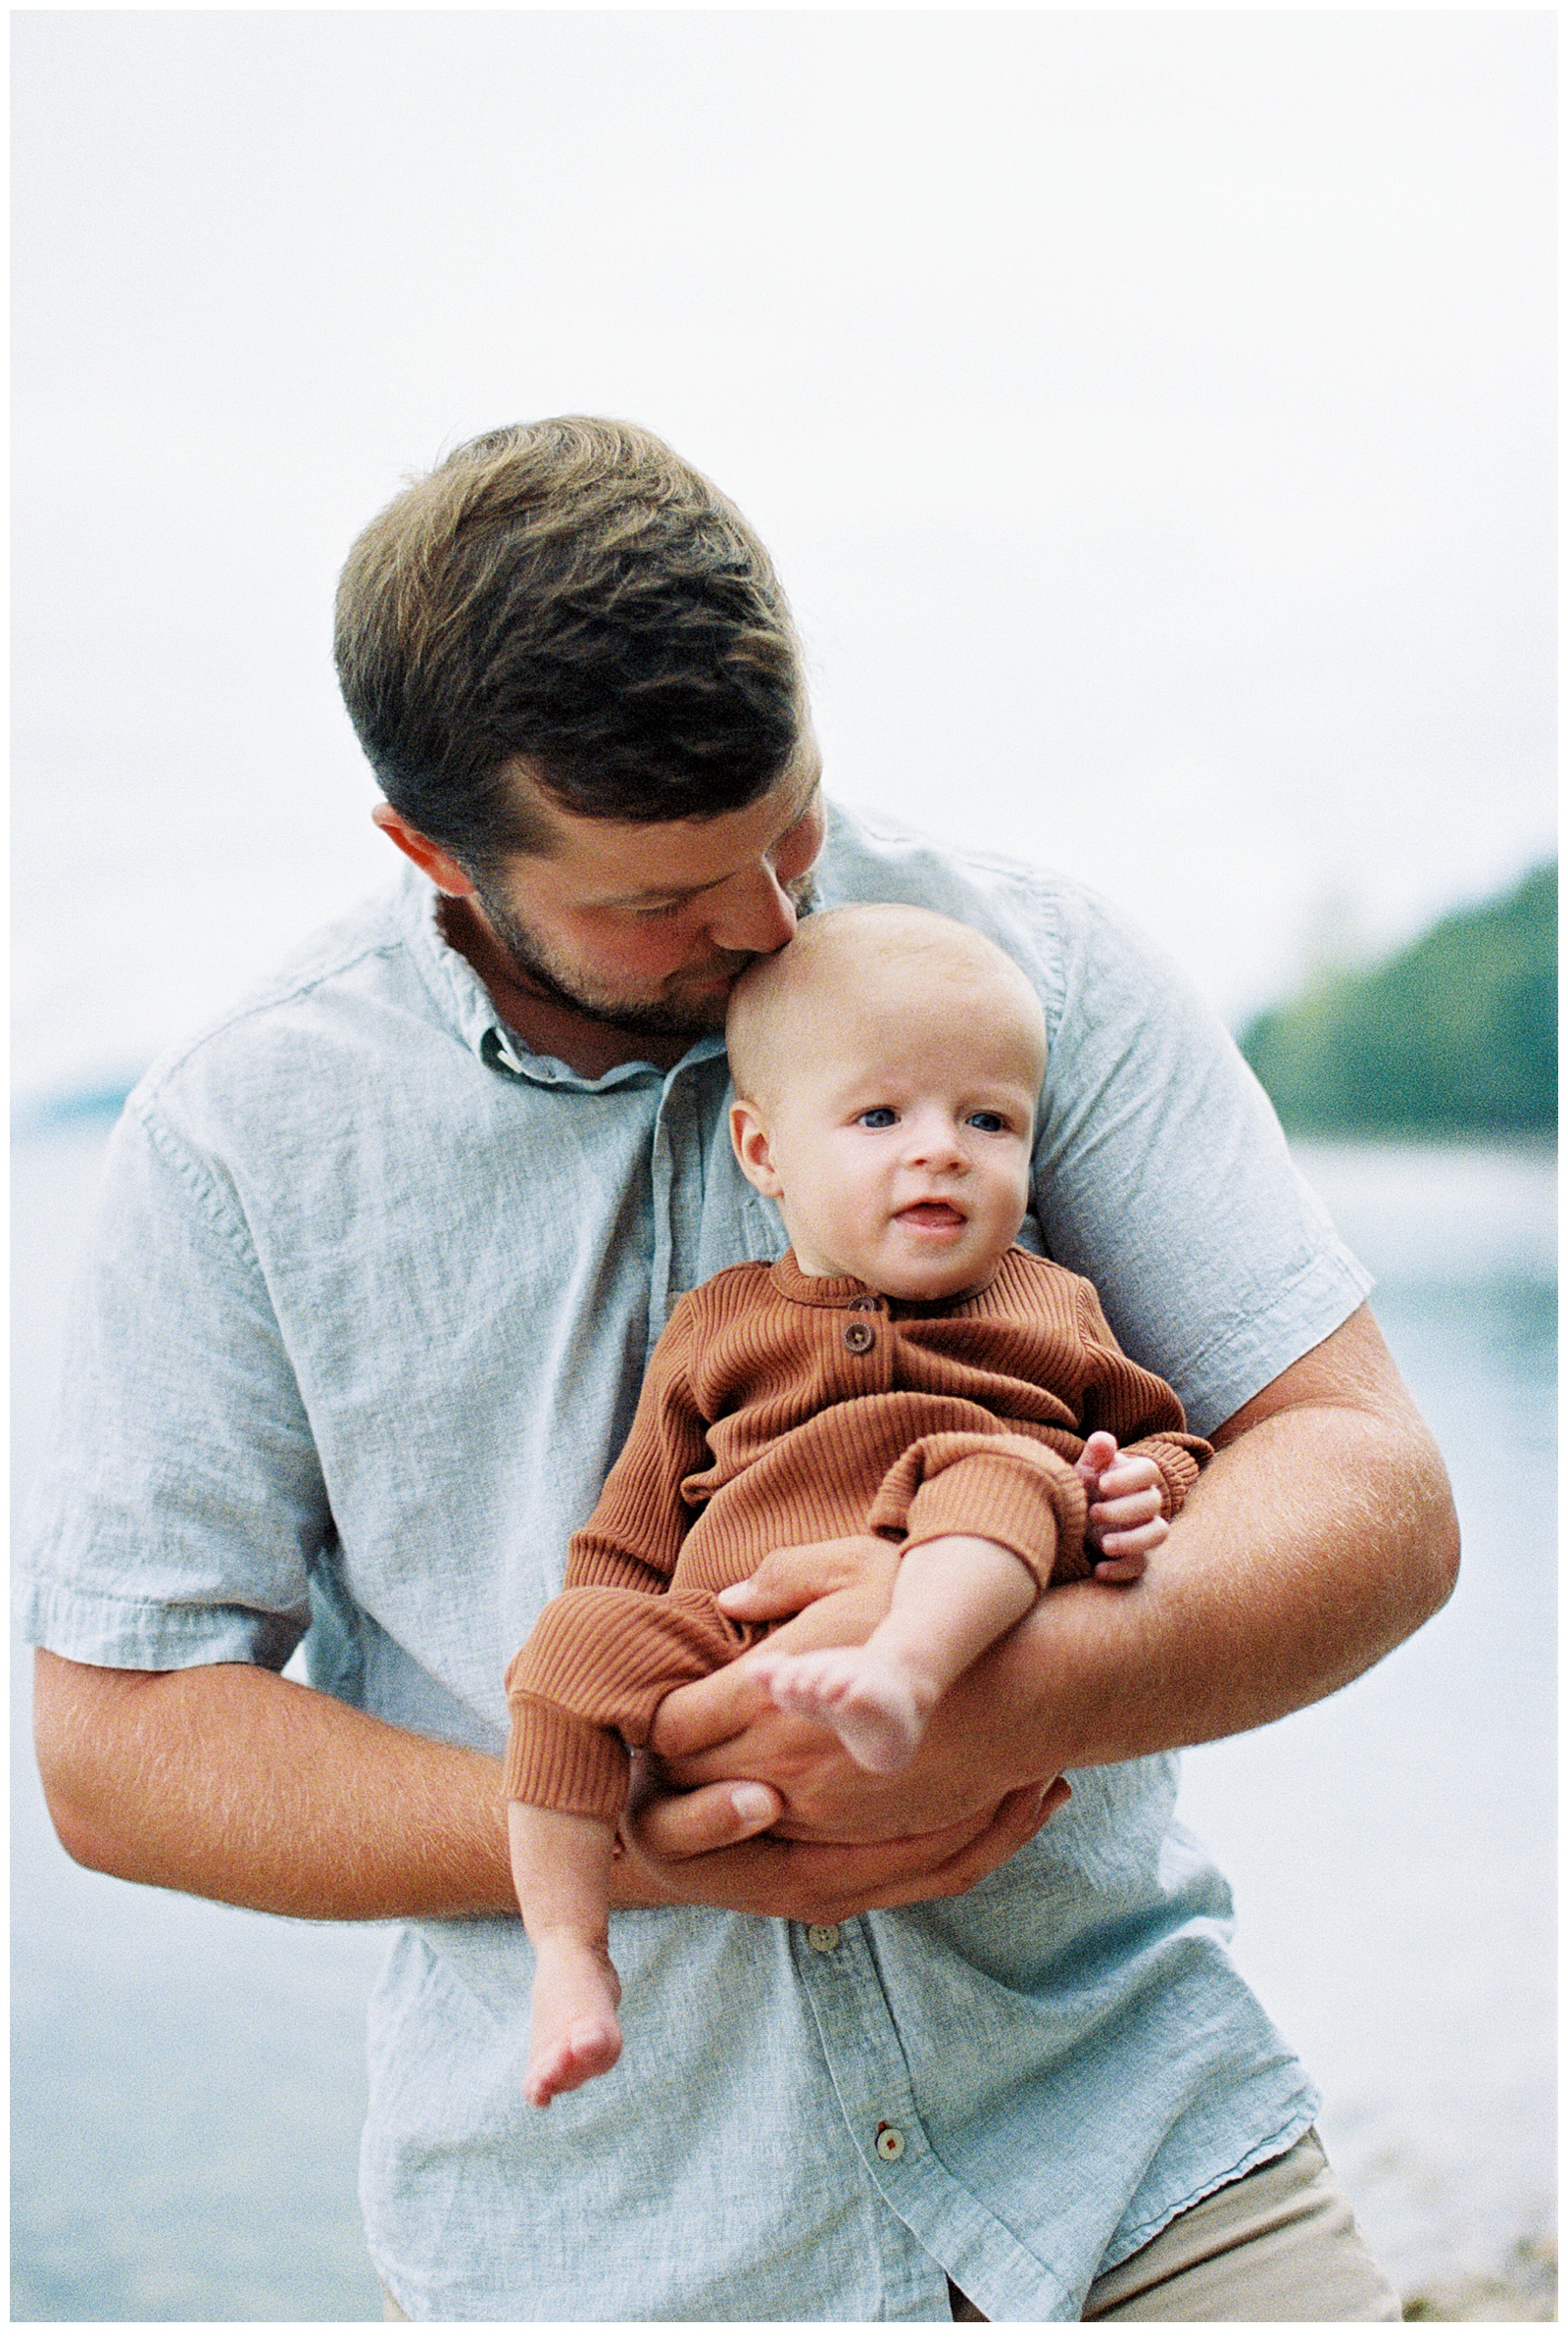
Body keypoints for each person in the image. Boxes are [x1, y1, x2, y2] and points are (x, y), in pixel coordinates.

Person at [23, 416, 1456, 2322]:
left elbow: (1369, 1486)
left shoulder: (1023, 963)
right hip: (610, 2254)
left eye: (788, 821)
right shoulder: (238, 1139)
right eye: (660, 896)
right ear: (431, 853)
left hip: (1139, 2157)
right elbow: (118, 1745)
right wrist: (652, 1842)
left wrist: (995, 1689)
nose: (772, 920)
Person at [506, 905, 1212, 2109]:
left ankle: (904, 1672)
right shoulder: (715, 1324)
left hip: (965, 1562)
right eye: (881, 1116)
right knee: (565, 1650)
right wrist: (609, 1663)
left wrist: (1148, 1490)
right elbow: (628, 1535)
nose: (939, 1150)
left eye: (987, 1120)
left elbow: (1157, 1441)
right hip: (724, 1627)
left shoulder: (1052, 1303)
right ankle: (569, 1955)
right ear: (765, 1151)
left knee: (994, 1471)